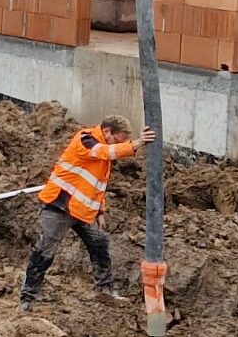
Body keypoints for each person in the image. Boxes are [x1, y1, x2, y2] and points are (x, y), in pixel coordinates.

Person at [19, 114, 156, 311]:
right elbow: (104, 152)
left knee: (99, 243)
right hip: (58, 207)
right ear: (107, 132)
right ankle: (28, 297)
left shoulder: (102, 153)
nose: (119, 144)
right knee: (45, 251)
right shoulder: (86, 139)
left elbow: (97, 184)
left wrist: (100, 210)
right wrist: (137, 143)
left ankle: (105, 290)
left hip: (82, 211)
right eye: (118, 140)